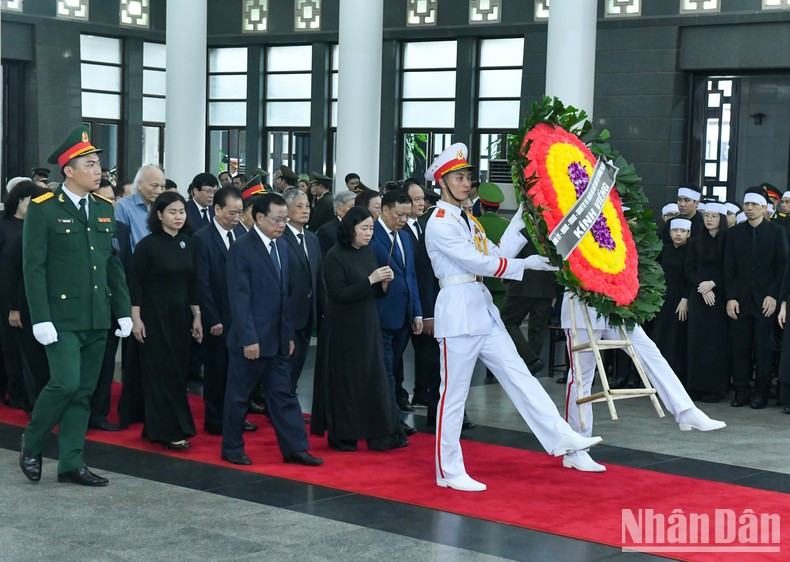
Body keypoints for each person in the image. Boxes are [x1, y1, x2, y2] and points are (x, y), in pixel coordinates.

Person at [423, 142, 602, 492]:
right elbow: (479, 263)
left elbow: (497, 252)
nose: (465, 183)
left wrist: (523, 215)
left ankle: (562, 438)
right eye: (458, 178)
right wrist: (525, 265)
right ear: (442, 183)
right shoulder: (440, 223)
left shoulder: (469, 220)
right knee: (453, 395)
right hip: (458, 308)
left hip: (481, 306)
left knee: (520, 376)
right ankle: (448, 470)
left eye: (466, 177)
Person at [19, 124, 132, 486]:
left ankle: (71, 462)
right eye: (90, 164)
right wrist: (40, 317)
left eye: (99, 164)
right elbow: (33, 266)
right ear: (69, 170)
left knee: (83, 391)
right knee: (65, 384)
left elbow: (111, 263)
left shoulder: (103, 208)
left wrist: (123, 309)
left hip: (97, 314)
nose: (98, 170)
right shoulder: (44, 208)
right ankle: (32, 442)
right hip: (60, 317)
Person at [562, 294, 726, 473]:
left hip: (614, 306)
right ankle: (575, 449)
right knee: (582, 377)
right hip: (582, 307)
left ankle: (686, 410)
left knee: (649, 351)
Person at [222, 193, 323, 467]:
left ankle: (295, 448)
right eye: (277, 219)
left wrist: (288, 334)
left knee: (283, 394)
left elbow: (286, 296)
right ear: (258, 217)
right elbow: (239, 298)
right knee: (239, 395)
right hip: (251, 340)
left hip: (278, 339)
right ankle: (231, 446)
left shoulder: (282, 247)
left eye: (284, 219)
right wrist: (249, 338)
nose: (281, 225)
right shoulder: (242, 248)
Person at [311, 206, 408, 451]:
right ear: (350, 228)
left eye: (371, 228)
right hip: (343, 328)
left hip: (367, 323)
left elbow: (374, 293)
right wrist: (371, 280)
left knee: (372, 379)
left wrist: (383, 283)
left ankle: (379, 434)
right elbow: (339, 294)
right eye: (363, 228)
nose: (368, 233)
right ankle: (344, 435)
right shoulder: (335, 255)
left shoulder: (367, 253)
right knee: (347, 382)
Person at [127, 192, 201, 449]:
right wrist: (136, 319)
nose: (178, 216)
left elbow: (193, 283)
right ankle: (166, 431)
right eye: (172, 211)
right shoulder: (147, 245)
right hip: (153, 316)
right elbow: (135, 284)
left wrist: (197, 317)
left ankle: (162, 427)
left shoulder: (188, 243)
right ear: (159, 215)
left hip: (180, 317)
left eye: (181, 211)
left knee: (178, 374)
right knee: (160, 373)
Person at [724, 188, 788, 409]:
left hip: (764, 301)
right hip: (739, 300)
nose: (749, 208)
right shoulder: (734, 234)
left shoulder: (776, 232)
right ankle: (741, 391)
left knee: (763, 348)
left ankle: (761, 392)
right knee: (738, 347)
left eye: (754, 205)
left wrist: (773, 295)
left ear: (764, 208)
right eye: (746, 204)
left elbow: (781, 267)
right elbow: (728, 267)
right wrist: (731, 297)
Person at [193, 186, 249, 436]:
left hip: (240, 317)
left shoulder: (242, 235)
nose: (236, 218)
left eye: (239, 213)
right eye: (231, 213)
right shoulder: (202, 238)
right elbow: (201, 284)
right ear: (217, 209)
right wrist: (211, 318)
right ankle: (215, 420)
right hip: (217, 316)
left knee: (239, 372)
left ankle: (236, 416)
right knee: (217, 371)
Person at [370, 190, 422, 420]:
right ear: (385, 210)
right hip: (381, 312)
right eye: (399, 215)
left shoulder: (405, 236)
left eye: (406, 216)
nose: (402, 220)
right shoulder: (371, 234)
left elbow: (411, 276)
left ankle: (389, 416)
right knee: (384, 368)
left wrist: (418, 312)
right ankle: (388, 418)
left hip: (404, 314)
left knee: (393, 367)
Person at [89, 179, 132, 432]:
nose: (107, 204)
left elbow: (124, 268)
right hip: (89, 306)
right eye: (101, 199)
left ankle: (99, 413)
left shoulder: (122, 228)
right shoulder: (86, 228)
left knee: (106, 365)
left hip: (113, 307)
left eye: (111, 200)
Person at [2, 181, 49, 409]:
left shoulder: (37, 226)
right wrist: (12, 305)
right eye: (30, 201)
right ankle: (16, 393)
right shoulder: (5, 225)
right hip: (8, 293)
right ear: (19, 199)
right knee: (10, 347)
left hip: (29, 294)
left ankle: (27, 394)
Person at [282, 189, 326, 397]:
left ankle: (289, 398)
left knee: (299, 362)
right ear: (286, 209)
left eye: (307, 206)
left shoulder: (311, 238)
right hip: (287, 314)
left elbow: (319, 279)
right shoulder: (280, 237)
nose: (305, 210)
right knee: (284, 365)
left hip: (309, 314)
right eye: (299, 206)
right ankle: (281, 403)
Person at [685, 205, 729, 402]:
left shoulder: (729, 241)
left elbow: (732, 268)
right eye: (706, 216)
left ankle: (714, 388)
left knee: (716, 343)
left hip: (720, 300)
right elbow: (689, 269)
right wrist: (701, 286)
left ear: (721, 218)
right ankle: (695, 385)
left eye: (714, 216)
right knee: (697, 341)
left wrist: (714, 284)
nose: (709, 219)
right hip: (699, 297)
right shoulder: (695, 242)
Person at [652, 218, 692, 387]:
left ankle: (676, 378)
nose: (678, 234)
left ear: (689, 234)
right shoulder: (664, 250)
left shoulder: (691, 251)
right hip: (663, 297)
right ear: (669, 232)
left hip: (681, 299)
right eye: (675, 230)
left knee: (677, 338)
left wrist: (685, 298)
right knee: (660, 335)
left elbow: (691, 277)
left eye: (682, 231)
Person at [474, 183, 510, 310]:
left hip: (479, 283)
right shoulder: (509, 226)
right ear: (498, 207)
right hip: (503, 283)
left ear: (480, 205)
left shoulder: (474, 225)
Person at [114, 164, 166, 250]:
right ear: (139, 185)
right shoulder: (123, 206)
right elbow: (122, 242)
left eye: (162, 187)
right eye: (155, 186)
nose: (159, 191)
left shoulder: (162, 207)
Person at [317, 191, 356, 256]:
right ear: (339, 210)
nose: (356, 210)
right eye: (352, 207)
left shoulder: (358, 228)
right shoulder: (325, 231)